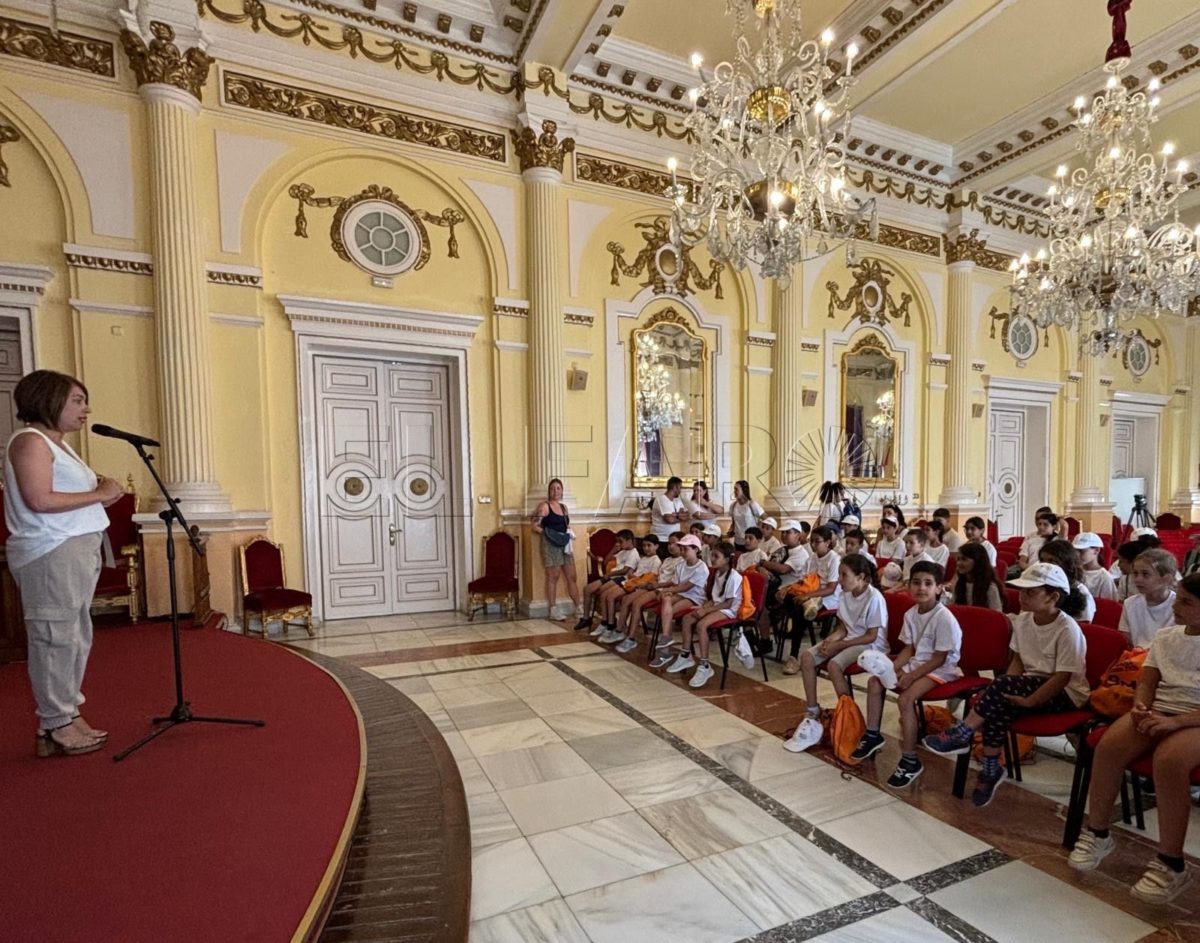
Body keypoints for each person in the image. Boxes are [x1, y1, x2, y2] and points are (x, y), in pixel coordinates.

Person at [5, 370, 125, 757]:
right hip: (50, 551)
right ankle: (56, 720)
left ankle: (66, 713)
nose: (85, 409)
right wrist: (99, 492)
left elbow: (71, 497)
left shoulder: (59, 445)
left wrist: (103, 493)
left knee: (74, 636)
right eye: (76, 400)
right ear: (48, 400)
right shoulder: (30, 442)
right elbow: (39, 500)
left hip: (75, 548)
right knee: (54, 636)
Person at [1067, 572, 1200, 904]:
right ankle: (1097, 832)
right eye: (1179, 597)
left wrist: (1176, 723)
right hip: (1162, 709)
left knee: (1169, 761)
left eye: (1187, 602)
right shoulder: (1168, 636)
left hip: (1195, 718)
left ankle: (1171, 863)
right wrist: (1141, 706)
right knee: (1109, 745)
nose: (1177, 606)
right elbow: (1148, 679)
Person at [924, 562, 1090, 808]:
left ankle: (963, 732)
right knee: (997, 704)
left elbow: (1062, 677)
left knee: (999, 691)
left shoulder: (1067, 629)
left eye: (1031, 592)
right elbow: (1019, 661)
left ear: (1053, 596)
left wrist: (1029, 700)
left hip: (1065, 693)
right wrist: (1009, 688)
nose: (1021, 597)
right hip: (1031, 684)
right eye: (1021, 591)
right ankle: (991, 768)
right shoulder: (1023, 621)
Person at [855, 561, 963, 787]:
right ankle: (873, 734)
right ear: (908, 585)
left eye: (928, 583)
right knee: (876, 682)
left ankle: (910, 759)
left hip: (942, 669)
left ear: (939, 588)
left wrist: (911, 676)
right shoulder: (911, 614)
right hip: (919, 662)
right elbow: (909, 649)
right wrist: (892, 669)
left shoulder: (944, 617)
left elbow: (940, 658)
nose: (921, 588)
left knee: (906, 698)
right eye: (916, 583)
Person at [784, 555, 887, 753]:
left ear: (861, 577)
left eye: (844, 575)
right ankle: (813, 710)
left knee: (834, 665)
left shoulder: (874, 598)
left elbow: (871, 635)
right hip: (848, 639)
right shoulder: (845, 595)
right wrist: (830, 641)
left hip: (869, 645)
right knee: (807, 657)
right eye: (839, 574)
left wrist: (839, 645)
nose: (839, 579)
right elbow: (842, 627)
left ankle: (848, 715)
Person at [670, 541, 743, 688]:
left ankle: (705, 665)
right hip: (716, 606)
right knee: (687, 618)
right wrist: (704, 606)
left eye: (716, 556)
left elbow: (728, 603)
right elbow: (714, 599)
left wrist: (706, 610)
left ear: (727, 559)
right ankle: (686, 654)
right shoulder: (717, 573)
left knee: (702, 625)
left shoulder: (734, 576)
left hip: (729, 611)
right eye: (712, 555)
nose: (713, 559)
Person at [782, 525, 841, 675]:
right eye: (812, 541)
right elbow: (803, 580)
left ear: (827, 542)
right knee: (789, 598)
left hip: (828, 597)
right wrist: (787, 588)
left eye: (817, 541)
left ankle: (794, 656)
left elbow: (831, 588)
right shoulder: (812, 558)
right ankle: (807, 607)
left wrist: (809, 596)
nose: (813, 545)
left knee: (798, 610)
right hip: (811, 593)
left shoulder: (834, 559)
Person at [613, 532, 682, 652]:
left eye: (674, 543)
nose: (671, 546)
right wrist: (649, 583)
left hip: (665, 590)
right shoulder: (667, 560)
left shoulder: (681, 562)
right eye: (669, 543)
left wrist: (656, 584)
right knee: (627, 600)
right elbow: (659, 575)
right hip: (655, 587)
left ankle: (631, 638)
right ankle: (620, 630)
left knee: (636, 603)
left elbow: (675, 582)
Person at [649, 534, 709, 668]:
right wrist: (668, 591)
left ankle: (665, 650)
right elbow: (676, 583)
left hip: (695, 598)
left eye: (685, 549)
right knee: (666, 602)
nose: (682, 552)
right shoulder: (681, 565)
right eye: (681, 549)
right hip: (682, 593)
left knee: (668, 613)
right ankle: (666, 639)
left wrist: (668, 590)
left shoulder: (701, 567)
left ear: (696, 549)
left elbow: (687, 586)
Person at [532, 478, 582, 621]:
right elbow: (534, 525)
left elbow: (565, 525)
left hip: (565, 544)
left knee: (572, 576)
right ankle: (553, 609)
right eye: (553, 488)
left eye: (558, 488)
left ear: (562, 491)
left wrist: (567, 532)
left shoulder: (564, 508)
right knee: (553, 576)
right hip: (550, 545)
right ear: (549, 491)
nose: (555, 491)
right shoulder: (544, 506)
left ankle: (578, 606)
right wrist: (549, 534)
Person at [597, 535, 661, 644]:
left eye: (649, 545)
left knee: (619, 598)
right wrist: (632, 576)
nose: (646, 548)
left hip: (639, 586)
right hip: (632, 582)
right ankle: (610, 625)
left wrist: (636, 582)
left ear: (656, 546)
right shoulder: (644, 559)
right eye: (644, 546)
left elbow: (650, 577)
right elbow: (636, 573)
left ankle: (617, 629)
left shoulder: (656, 561)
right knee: (607, 595)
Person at [576, 529, 637, 634]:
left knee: (603, 593)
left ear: (629, 540)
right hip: (611, 576)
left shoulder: (633, 553)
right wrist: (614, 549)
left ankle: (607, 621)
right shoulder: (622, 552)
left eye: (621, 541)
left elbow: (625, 570)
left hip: (620, 577)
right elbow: (606, 561)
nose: (619, 543)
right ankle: (586, 618)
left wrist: (610, 575)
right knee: (587, 589)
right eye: (617, 541)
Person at [1119, 548, 1178, 648]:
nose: (1137, 579)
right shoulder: (1130, 603)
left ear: (1166, 578)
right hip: (1136, 657)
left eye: (1145, 574)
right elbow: (1126, 640)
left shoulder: (1179, 606)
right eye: (1135, 573)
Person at [1038, 539, 1094, 623]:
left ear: (1066, 564)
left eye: (1051, 561)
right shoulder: (1038, 585)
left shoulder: (1081, 593)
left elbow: (1083, 627)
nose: (1045, 565)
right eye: (1042, 560)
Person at [951, 542, 1005, 612]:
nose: (959, 563)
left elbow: (996, 615)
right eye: (958, 559)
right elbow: (954, 608)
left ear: (977, 561)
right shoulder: (959, 583)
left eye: (964, 559)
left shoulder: (990, 587)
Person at [1074, 532, 1117, 601]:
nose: (1077, 555)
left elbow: (1108, 604)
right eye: (1075, 551)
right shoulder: (1074, 570)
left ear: (1096, 550)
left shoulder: (1104, 577)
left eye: (1081, 551)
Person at [650, 476, 689, 546]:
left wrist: (675, 515)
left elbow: (686, 515)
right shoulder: (661, 499)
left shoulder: (677, 500)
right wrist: (679, 515)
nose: (680, 491)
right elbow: (669, 520)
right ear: (675, 487)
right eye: (680, 488)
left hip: (674, 539)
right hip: (661, 539)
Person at [728, 479, 764, 546]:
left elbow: (765, 518)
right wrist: (730, 531)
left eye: (736, 489)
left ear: (743, 490)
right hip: (738, 540)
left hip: (751, 540)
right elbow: (733, 523)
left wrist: (759, 529)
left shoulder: (752, 504)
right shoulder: (733, 505)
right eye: (734, 489)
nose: (734, 491)